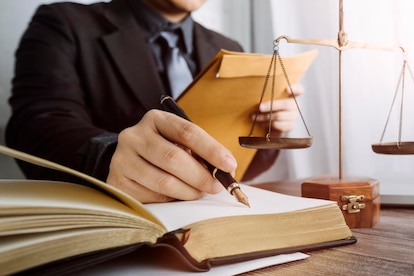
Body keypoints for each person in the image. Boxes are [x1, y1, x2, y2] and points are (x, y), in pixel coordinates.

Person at [5, 0, 302, 203]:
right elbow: (35, 125)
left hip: (211, 218)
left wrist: (269, 130)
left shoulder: (228, 47)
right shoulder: (63, 24)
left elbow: (236, 163)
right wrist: (110, 155)